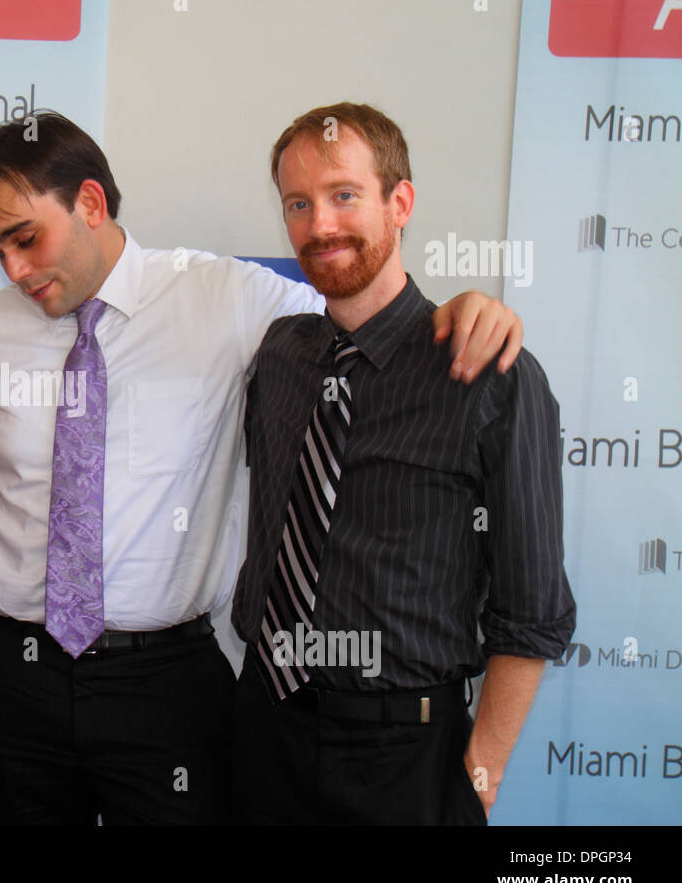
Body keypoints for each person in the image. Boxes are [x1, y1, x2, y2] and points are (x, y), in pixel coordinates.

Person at [0, 110, 526, 825]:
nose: (15, 269)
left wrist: (463, 310)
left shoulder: (228, 299)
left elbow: (366, 306)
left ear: (89, 202)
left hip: (166, 686)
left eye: (24, 239)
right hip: (7, 676)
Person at [231, 102, 576, 824]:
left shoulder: (490, 373)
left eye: (343, 195)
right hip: (264, 732)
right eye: (299, 203)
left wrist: (476, 783)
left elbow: (533, 612)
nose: (319, 224)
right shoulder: (281, 354)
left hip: (407, 757)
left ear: (401, 202)